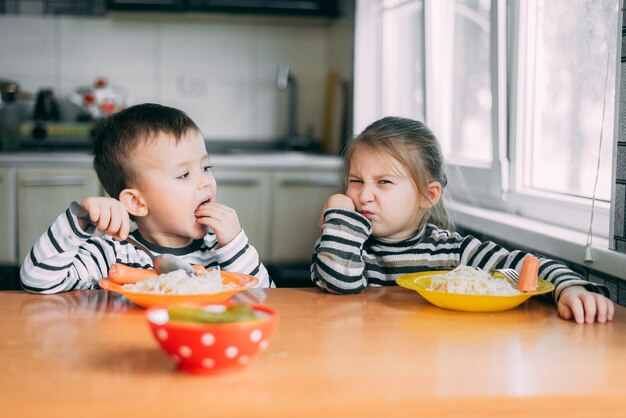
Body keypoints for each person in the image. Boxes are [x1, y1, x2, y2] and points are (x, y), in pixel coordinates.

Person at [311, 116, 613, 324]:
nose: (364, 196)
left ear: (428, 196)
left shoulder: (455, 253)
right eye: (355, 181)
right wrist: (340, 212)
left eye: (384, 182)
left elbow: (528, 267)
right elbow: (337, 282)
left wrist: (570, 288)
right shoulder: (348, 245)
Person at [21, 103, 273, 293]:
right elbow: (37, 280)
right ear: (137, 202)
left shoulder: (220, 252)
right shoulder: (110, 254)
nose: (206, 181)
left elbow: (266, 296)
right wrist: (79, 220)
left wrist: (235, 245)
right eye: (184, 174)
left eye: (206, 167)